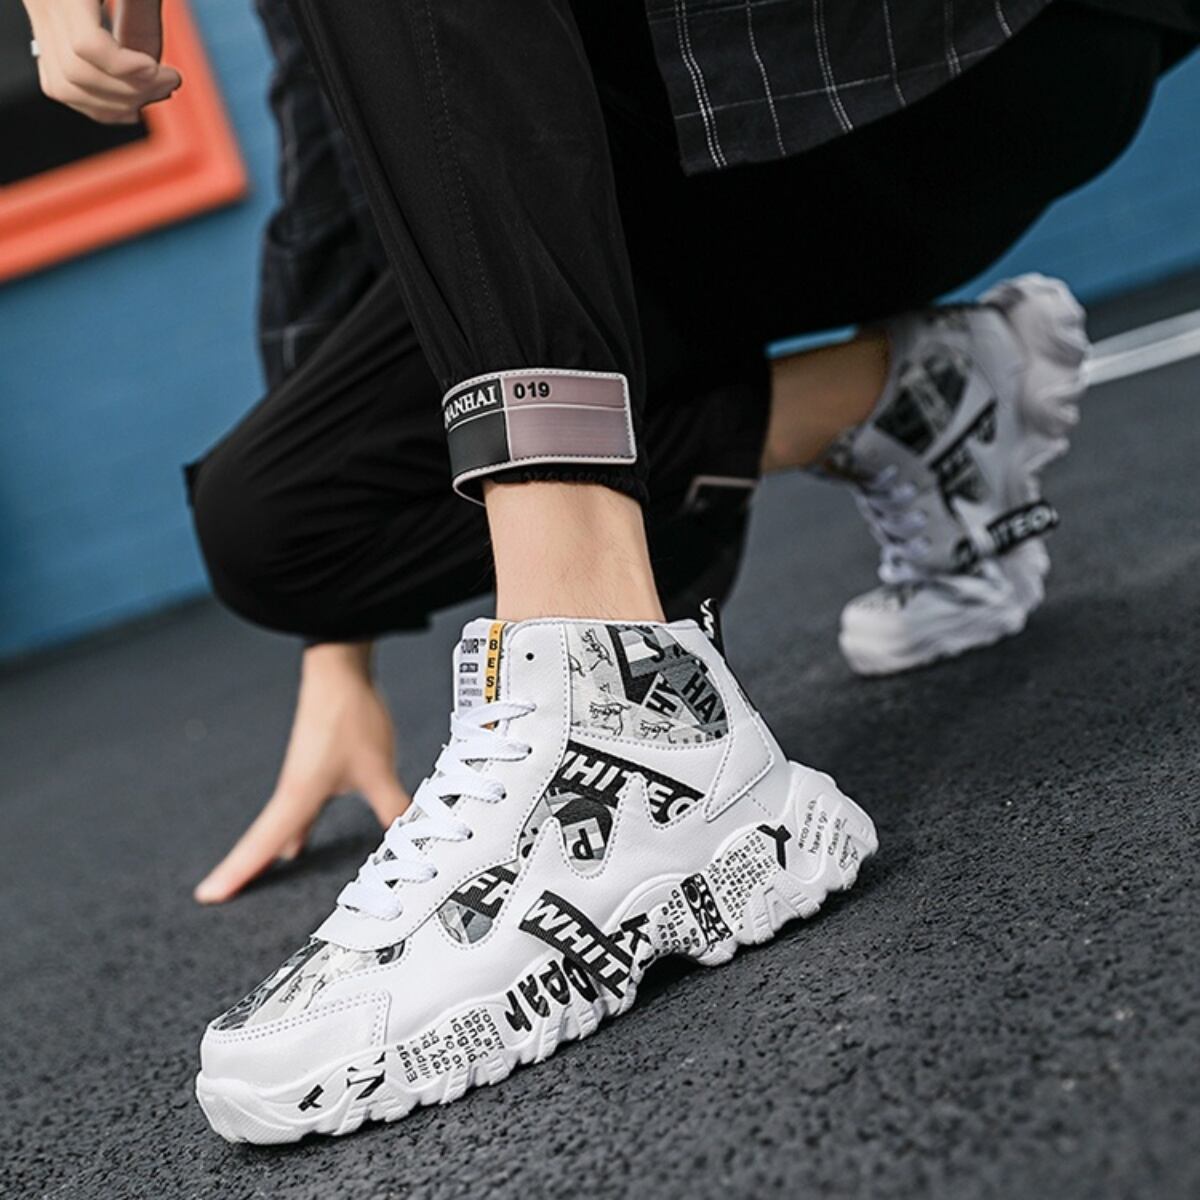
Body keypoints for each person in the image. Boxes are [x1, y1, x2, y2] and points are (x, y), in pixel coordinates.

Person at [24, 0, 1197, 1143]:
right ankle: (907, 399)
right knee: (279, 525)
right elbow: (346, 132)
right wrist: (339, 652)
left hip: (939, 65)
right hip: (634, 187)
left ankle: (613, 689)